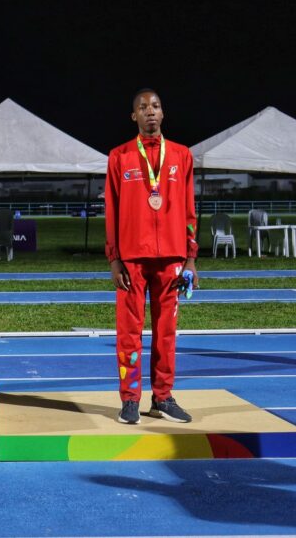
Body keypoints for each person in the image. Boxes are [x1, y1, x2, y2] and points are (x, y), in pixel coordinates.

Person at [105, 89, 199, 425]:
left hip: (171, 256)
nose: (150, 112)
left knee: (165, 333)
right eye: (143, 108)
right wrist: (114, 259)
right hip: (131, 258)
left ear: (163, 112)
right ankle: (130, 399)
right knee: (128, 333)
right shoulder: (119, 157)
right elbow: (111, 210)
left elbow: (189, 209)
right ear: (134, 116)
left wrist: (190, 258)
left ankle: (162, 397)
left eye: (156, 106)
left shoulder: (182, 156)